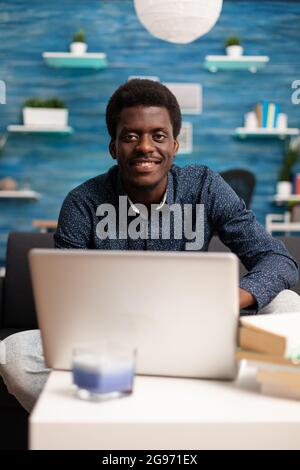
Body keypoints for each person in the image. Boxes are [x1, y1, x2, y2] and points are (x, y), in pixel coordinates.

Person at [0, 79, 299, 413]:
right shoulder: (82, 203)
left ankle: (149, 401)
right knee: (14, 353)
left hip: (201, 332)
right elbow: (64, 299)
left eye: (158, 136)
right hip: (112, 344)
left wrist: (230, 299)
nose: (145, 146)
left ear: (174, 144)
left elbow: (277, 259)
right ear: (113, 147)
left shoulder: (205, 187)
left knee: (288, 306)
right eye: (130, 136)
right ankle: (159, 406)